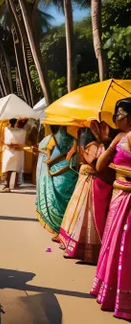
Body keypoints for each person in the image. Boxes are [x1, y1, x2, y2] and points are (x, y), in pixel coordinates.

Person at [91, 98, 131, 320]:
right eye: (116, 115)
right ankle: (110, 293)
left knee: (126, 248)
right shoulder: (120, 138)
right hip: (118, 197)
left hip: (127, 197)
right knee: (114, 245)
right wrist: (113, 142)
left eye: (121, 114)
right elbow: (100, 165)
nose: (117, 118)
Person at [58, 122, 113, 263]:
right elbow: (94, 163)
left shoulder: (96, 146)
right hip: (89, 182)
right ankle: (79, 248)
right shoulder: (94, 146)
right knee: (84, 216)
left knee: (85, 216)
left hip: (91, 183)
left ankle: (82, 249)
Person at [35, 126, 78, 239]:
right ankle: (63, 231)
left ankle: (61, 230)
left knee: (59, 201)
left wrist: (49, 163)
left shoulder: (56, 138)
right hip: (66, 172)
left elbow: (54, 156)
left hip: (62, 171)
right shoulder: (70, 138)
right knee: (64, 201)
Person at [0, 118, 27, 192]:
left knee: (8, 169)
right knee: (16, 169)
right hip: (18, 151)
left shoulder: (6, 129)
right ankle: (15, 183)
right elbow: (23, 142)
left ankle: (7, 185)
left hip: (9, 150)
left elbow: (5, 141)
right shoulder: (23, 131)